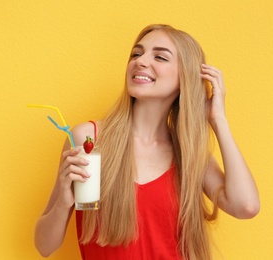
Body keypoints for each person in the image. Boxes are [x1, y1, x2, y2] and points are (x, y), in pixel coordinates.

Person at [34, 24, 260, 259]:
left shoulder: (188, 153)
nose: (140, 62)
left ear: (186, 78)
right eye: (136, 54)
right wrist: (63, 200)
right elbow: (44, 246)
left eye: (160, 57)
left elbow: (245, 207)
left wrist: (218, 119)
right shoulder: (88, 141)